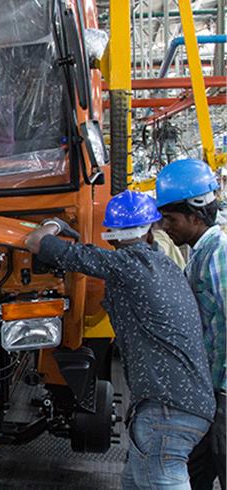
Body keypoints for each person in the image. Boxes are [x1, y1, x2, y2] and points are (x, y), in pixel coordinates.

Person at [25, 190, 216, 489]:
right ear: (153, 228)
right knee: (135, 481)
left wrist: (52, 224)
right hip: (180, 404)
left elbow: (36, 243)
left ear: (112, 235)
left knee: (162, 479)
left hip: (166, 407)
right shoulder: (161, 263)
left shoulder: (128, 265)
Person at [156, 158, 227, 490]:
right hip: (209, 392)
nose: (166, 226)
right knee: (194, 470)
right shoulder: (200, 252)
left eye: (171, 219)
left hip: (223, 393)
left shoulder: (219, 255)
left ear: (195, 216)